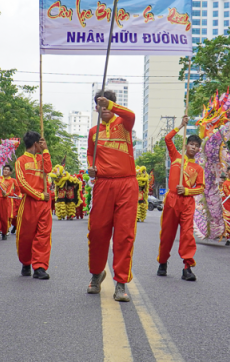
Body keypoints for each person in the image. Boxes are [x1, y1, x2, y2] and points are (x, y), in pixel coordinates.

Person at [86, 91, 137, 302]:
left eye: (107, 105)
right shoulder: (93, 132)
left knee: (124, 234)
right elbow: (91, 153)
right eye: (100, 105)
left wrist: (111, 104)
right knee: (97, 232)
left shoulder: (125, 124)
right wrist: (91, 166)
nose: (105, 109)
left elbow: (132, 115)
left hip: (126, 183)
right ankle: (97, 274)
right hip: (103, 184)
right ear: (96, 109)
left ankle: (121, 283)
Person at [156, 116, 205, 281]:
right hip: (171, 200)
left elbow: (201, 187)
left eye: (197, 146)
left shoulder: (198, 168)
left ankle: (187, 267)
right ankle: (162, 262)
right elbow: (167, 138)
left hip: (187, 203)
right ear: (186, 145)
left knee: (187, 235)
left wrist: (186, 191)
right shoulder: (176, 157)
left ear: (199, 150)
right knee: (167, 234)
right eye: (192, 144)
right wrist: (180, 126)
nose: (194, 147)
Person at [15, 132, 52, 279]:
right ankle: (26, 262)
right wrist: (39, 195)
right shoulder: (20, 161)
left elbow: (48, 169)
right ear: (36, 143)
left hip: (44, 203)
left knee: (43, 235)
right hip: (30, 202)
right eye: (41, 143)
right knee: (26, 236)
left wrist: (46, 150)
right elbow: (22, 185)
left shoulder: (42, 158)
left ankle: (40, 267)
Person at [2, 165, 20, 235]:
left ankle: (8, 228)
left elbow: (18, 189)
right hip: (1, 199)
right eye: (4, 169)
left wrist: (18, 195)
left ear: (10, 172)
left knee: (10, 215)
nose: (5, 171)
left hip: (10, 199)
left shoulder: (13, 180)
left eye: (7, 169)